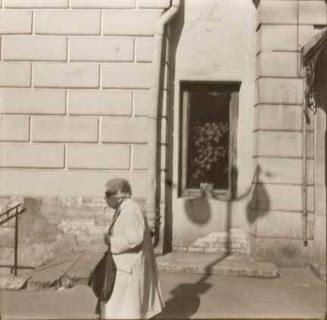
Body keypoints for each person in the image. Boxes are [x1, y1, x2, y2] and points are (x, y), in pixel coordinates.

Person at [100, 178, 165, 319]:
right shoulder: (125, 208)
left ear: (122, 193)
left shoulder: (130, 210)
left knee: (125, 309)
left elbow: (134, 239)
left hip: (129, 268)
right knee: (120, 307)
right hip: (124, 267)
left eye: (109, 193)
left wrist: (110, 241)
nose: (106, 198)